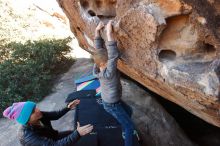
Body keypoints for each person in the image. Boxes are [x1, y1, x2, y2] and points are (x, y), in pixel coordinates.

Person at [92, 20, 135, 146]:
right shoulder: (109, 73)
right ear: (104, 64)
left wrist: (97, 30)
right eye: (108, 60)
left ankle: (123, 130)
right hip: (112, 104)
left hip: (110, 100)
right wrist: (109, 33)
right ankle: (126, 137)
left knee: (129, 111)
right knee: (129, 127)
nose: (109, 60)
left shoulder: (98, 64)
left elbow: (98, 49)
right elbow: (113, 55)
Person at [3, 100, 93, 146]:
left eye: (35, 108)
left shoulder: (39, 115)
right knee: (76, 135)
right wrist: (77, 133)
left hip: (53, 138)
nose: (38, 110)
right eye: (33, 111)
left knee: (74, 134)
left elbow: (56, 115)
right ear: (26, 119)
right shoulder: (28, 136)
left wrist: (68, 107)